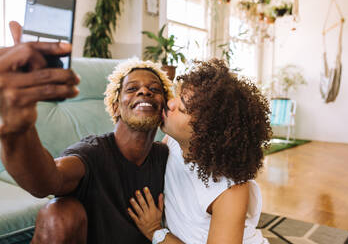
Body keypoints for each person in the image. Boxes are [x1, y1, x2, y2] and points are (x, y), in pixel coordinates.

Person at [0, 39, 174, 243]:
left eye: (154, 89)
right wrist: (17, 130)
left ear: (164, 107)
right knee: (58, 213)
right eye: (131, 88)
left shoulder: (166, 156)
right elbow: (48, 180)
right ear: (116, 106)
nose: (145, 91)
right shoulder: (93, 153)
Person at [127, 59, 271, 244]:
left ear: (205, 133)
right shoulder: (172, 142)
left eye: (182, 109)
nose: (170, 104)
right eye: (178, 96)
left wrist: (155, 232)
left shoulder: (230, 190)